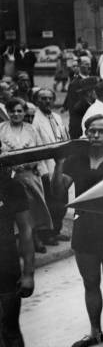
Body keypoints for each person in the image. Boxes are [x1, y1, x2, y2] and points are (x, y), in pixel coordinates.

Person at [54, 115, 103, 347]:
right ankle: (94, 331)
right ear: (86, 133)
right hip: (84, 227)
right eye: (92, 131)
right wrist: (58, 164)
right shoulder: (76, 161)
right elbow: (58, 189)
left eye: (101, 131)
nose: (96, 136)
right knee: (90, 283)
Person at [0, 155, 35, 347]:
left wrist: (29, 272)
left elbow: (25, 229)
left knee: (9, 329)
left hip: (5, 267)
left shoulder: (10, 185)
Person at [0, 98, 52, 254]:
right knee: (16, 212)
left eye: (19, 111)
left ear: (24, 112)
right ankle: (20, 244)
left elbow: (40, 151)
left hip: (30, 175)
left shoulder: (31, 129)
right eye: (12, 111)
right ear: (7, 112)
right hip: (9, 177)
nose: (16, 114)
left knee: (33, 208)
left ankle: (34, 238)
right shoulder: (1, 129)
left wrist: (30, 164)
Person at [31, 89, 71, 246]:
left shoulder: (57, 117)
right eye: (43, 99)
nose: (47, 101)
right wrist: (43, 171)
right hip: (46, 167)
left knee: (62, 201)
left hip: (61, 164)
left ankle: (57, 230)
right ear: (37, 101)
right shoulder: (34, 120)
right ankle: (46, 234)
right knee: (50, 202)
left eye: (49, 98)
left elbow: (64, 138)